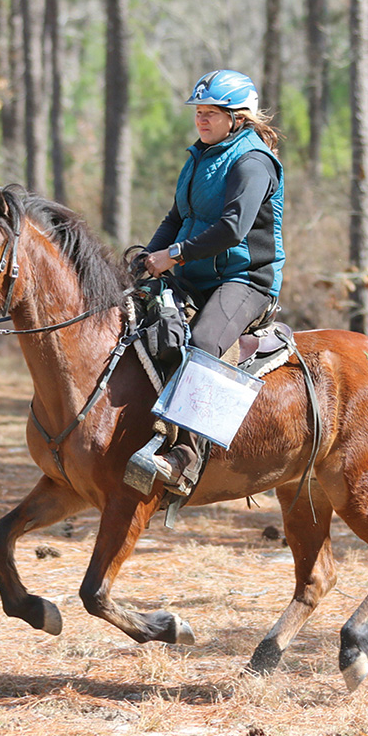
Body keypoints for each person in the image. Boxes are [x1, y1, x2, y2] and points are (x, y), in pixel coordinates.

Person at [139, 69, 285, 489]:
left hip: (245, 279)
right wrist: (149, 259)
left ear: (237, 118)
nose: (201, 120)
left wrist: (175, 255)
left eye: (210, 113)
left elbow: (233, 229)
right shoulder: (199, 156)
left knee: (202, 342)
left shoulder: (253, 161)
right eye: (198, 112)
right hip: (192, 274)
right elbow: (175, 218)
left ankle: (187, 454)